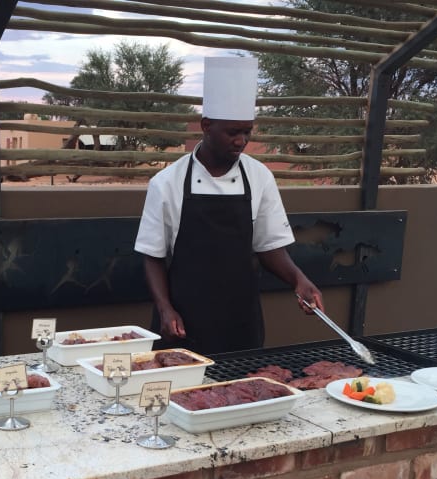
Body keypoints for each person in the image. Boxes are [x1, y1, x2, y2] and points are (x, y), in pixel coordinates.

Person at [134, 56, 324, 356]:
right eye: (232, 132)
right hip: (184, 321)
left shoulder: (259, 176)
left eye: (247, 132)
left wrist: (298, 279)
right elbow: (152, 256)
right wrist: (165, 308)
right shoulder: (167, 182)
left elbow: (268, 246)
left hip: (241, 321)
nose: (241, 141)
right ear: (206, 125)